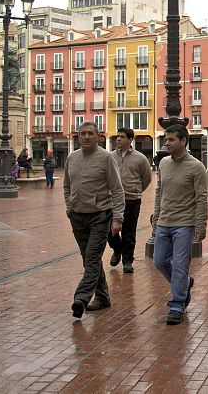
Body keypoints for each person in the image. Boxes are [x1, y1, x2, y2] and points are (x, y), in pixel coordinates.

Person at [64, 121, 125, 318]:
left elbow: (117, 189)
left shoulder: (106, 158)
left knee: (91, 257)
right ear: (78, 137)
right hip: (77, 216)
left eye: (91, 133)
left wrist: (118, 218)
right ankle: (103, 297)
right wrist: (68, 208)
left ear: (98, 136)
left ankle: (81, 298)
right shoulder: (72, 158)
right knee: (89, 259)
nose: (87, 137)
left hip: (100, 215)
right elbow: (67, 186)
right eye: (83, 134)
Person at [152, 124, 207, 326]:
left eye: (171, 139)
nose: (166, 142)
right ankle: (184, 283)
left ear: (183, 141)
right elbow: (159, 191)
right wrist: (155, 216)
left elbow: (202, 198)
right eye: (166, 139)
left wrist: (201, 226)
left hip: (184, 224)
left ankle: (177, 304)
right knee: (159, 261)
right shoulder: (164, 163)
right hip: (164, 222)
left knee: (181, 265)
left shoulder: (196, 167)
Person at [108, 128, 152, 273]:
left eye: (122, 137)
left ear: (130, 139)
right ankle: (117, 249)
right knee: (110, 230)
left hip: (132, 199)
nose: (118, 139)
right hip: (112, 200)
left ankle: (127, 261)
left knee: (129, 231)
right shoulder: (110, 157)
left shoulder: (140, 158)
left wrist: (136, 190)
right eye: (117, 136)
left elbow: (146, 178)